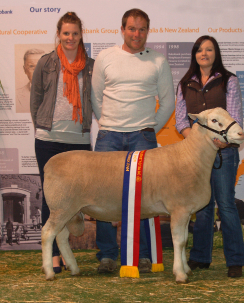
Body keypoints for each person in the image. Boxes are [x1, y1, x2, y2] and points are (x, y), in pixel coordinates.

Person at [91, 8, 175, 273]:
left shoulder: (158, 61)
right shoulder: (105, 57)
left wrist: (149, 129)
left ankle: (144, 255)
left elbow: (168, 102)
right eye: (131, 28)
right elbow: (96, 98)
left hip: (142, 138)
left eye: (142, 29)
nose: (136, 34)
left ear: (147, 31)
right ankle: (106, 255)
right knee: (102, 197)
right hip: (109, 137)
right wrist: (108, 125)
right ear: (122, 29)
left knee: (145, 198)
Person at [175, 35, 244, 277]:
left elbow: (235, 118)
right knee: (202, 207)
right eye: (199, 50)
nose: (204, 54)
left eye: (209, 50)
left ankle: (235, 261)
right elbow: (181, 120)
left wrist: (222, 142)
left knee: (226, 205)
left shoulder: (229, 81)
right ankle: (200, 257)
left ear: (216, 54)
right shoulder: (185, 83)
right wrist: (195, 142)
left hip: (225, 154)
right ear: (194, 54)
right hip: (198, 158)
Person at [30, 12, 94, 274]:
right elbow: (36, 101)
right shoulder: (46, 63)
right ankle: (54, 255)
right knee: (52, 198)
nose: (70, 38)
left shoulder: (90, 65)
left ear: (81, 35)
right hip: (48, 141)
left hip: (78, 142)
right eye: (66, 33)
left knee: (76, 199)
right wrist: (46, 126)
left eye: (75, 33)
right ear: (59, 34)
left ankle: (67, 252)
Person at [16, 49, 45, 113]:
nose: (36, 71)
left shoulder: (58, 92)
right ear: (25, 70)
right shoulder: (16, 95)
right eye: (31, 66)